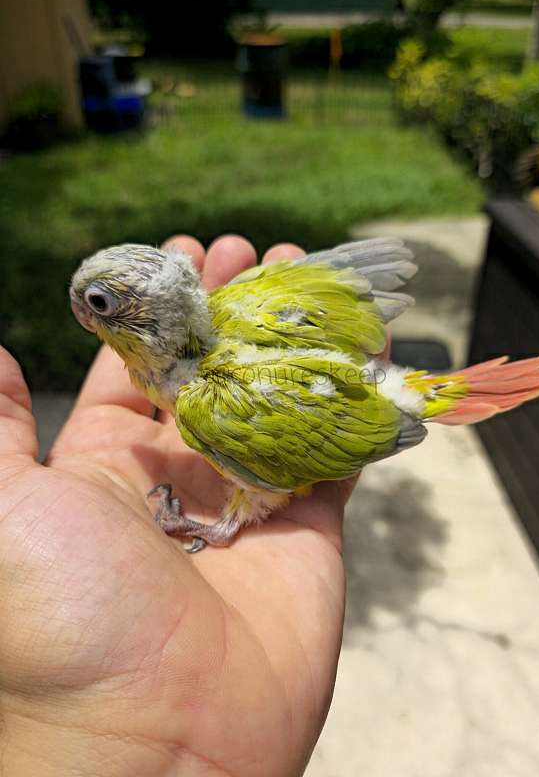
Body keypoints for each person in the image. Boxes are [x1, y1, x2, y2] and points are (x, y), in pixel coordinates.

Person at [0, 235, 355, 776]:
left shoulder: (203, 402)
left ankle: (224, 525)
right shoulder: (204, 353)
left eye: (98, 305)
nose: (82, 315)